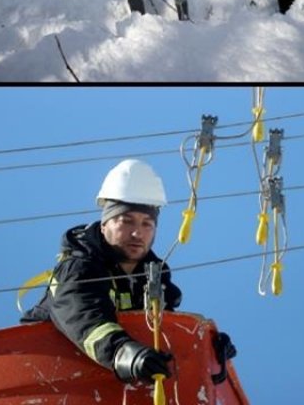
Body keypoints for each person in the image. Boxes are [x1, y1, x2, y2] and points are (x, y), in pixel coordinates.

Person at [20, 160, 186, 384]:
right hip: (45, 376)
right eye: (126, 221)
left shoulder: (156, 281)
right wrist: (123, 353)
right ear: (104, 225)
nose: (137, 233)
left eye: (147, 223)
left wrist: (205, 345)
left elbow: (168, 336)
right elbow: (83, 315)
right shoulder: (78, 268)